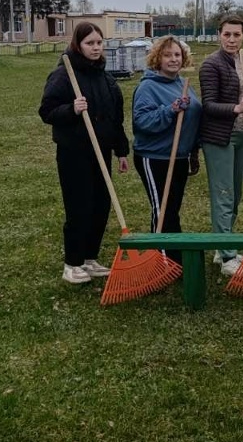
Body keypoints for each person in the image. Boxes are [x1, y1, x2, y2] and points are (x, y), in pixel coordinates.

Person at [38, 22, 130, 284]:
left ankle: (90, 258)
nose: (96, 48)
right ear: (78, 45)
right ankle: (73, 263)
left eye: (99, 43)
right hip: (74, 152)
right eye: (90, 43)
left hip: (101, 151)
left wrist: (121, 151)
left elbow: (115, 118)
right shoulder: (63, 75)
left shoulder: (106, 78)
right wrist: (72, 109)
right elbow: (46, 111)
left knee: (101, 205)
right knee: (79, 206)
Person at [198, 15, 243, 276]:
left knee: (236, 193)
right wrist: (236, 108)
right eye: (227, 34)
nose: (231, 40)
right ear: (219, 35)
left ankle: (222, 245)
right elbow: (209, 104)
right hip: (220, 137)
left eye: (236, 35)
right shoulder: (211, 64)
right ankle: (228, 257)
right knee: (224, 194)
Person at [131, 36, 202, 263]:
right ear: (157, 58)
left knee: (172, 208)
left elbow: (193, 119)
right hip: (154, 157)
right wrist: (170, 110)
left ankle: (174, 256)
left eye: (177, 55)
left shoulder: (182, 84)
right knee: (162, 210)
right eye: (167, 55)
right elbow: (143, 122)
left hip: (179, 156)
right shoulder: (148, 87)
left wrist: (193, 151)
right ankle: (161, 257)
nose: (173, 59)